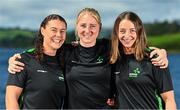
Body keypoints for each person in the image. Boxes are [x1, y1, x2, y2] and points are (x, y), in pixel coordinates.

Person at [7, 8, 168, 109]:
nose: (87, 30)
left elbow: (133, 46)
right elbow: (43, 51)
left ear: (99, 28)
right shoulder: (67, 50)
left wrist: (160, 52)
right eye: (83, 26)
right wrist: (15, 58)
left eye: (93, 26)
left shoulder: (109, 48)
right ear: (77, 28)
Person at [110, 11, 176, 109]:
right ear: (117, 33)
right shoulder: (113, 59)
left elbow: (169, 100)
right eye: (122, 31)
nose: (127, 35)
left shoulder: (154, 58)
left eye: (132, 30)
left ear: (139, 31)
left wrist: (162, 51)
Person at [6, 14, 67, 109]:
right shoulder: (24, 60)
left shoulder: (64, 62)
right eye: (53, 30)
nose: (58, 35)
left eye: (62, 31)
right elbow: (11, 97)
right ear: (43, 30)